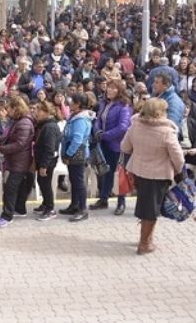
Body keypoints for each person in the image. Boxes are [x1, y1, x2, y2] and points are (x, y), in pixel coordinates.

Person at [120, 98, 184, 255]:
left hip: (138, 172)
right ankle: (144, 243)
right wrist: (178, 170)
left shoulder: (135, 125)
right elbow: (178, 158)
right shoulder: (167, 131)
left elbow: (125, 147)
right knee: (151, 210)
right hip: (158, 174)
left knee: (145, 205)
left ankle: (146, 238)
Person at [90, 79, 132, 215]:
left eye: (114, 88)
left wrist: (105, 135)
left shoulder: (124, 106)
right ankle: (103, 199)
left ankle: (121, 202)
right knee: (106, 172)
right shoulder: (104, 103)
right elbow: (98, 119)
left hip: (118, 145)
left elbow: (123, 127)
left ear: (119, 91)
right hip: (104, 143)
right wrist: (97, 131)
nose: (110, 90)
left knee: (120, 174)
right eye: (109, 87)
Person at [0, 96, 35, 228]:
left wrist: (1, 148)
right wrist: (0, 140)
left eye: (9, 108)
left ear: (16, 108)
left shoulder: (24, 123)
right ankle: (20, 209)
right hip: (16, 160)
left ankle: (7, 215)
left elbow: (20, 144)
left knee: (10, 188)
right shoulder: (18, 121)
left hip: (20, 161)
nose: (7, 111)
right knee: (20, 186)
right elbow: (11, 136)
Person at [59, 93, 94, 222]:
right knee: (73, 180)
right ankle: (74, 205)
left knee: (79, 182)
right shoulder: (75, 116)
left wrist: (68, 154)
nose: (70, 103)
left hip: (77, 154)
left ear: (78, 104)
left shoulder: (80, 120)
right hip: (72, 153)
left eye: (72, 101)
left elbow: (77, 140)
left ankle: (83, 209)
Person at [32, 101, 61, 221]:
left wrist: (44, 165)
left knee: (45, 183)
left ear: (46, 112)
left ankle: (50, 208)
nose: (36, 113)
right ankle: (45, 204)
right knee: (41, 181)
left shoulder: (50, 127)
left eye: (39, 110)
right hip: (42, 159)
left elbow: (50, 149)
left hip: (47, 161)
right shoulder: (43, 125)